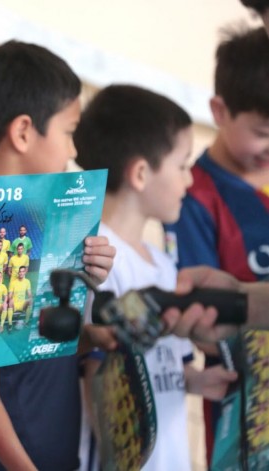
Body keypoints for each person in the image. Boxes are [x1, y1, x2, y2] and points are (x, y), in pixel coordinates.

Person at [0, 40, 115, 470]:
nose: (74, 151)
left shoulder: (46, 227)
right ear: (24, 132)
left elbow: (31, 350)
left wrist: (89, 335)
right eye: (69, 132)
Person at [75, 84, 238, 470]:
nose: (189, 181)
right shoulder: (99, 259)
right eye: (182, 166)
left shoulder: (164, 266)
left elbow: (161, 365)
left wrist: (195, 380)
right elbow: (98, 381)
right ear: (141, 173)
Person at [162, 26, 269, 460]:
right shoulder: (194, 197)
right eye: (263, 131)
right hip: (245, 415)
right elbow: (202, 330)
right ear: (219, 111)